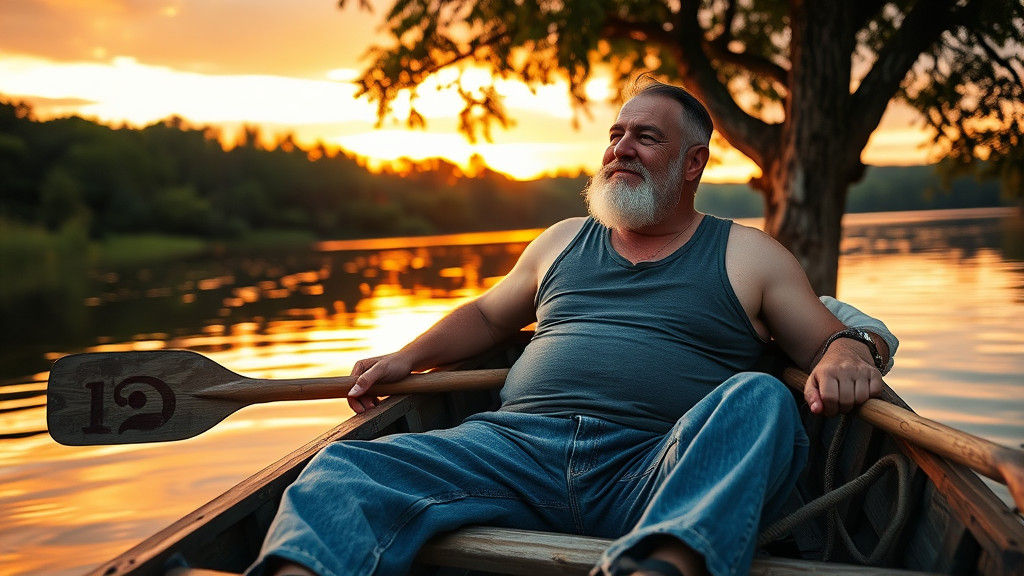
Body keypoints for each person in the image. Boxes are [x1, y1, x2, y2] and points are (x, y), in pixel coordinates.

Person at [249, 78, 898, 576]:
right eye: (616, 134)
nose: (620, 149)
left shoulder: (748, 254)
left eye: (646, 137)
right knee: (343, 468)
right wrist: (406, 356)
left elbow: (827, 339)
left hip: (655, 465)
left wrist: (847, 352)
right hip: (510, 452)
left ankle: (661, 566)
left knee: (761, 400)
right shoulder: (560, 240)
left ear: (693, 163)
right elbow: (486, 314)